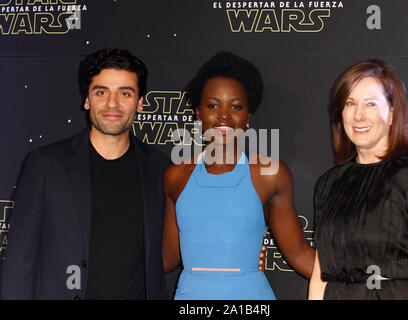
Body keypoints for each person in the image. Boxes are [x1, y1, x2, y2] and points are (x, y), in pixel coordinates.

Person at [0, 48, 170, 299]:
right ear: (87, 99)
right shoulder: (46, 165)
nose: (112, 104)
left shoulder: (159, 167)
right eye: (102, 92)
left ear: (140, 102)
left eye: (125, 93)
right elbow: (19, 262)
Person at [163, 51, 315, 300]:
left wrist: (360, 281)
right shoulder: (175, 176)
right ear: (198, 114)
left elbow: (299, 253)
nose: (223, 115)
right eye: (213, 105)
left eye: (235, 106)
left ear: (248, 117)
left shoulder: (270, 174)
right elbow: (167, 258)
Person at [309, 59, 408, 300]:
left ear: (393, 113)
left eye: (371, 104)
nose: (359, 115)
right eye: (350, 103)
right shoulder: (328, 183)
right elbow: (320, 273)